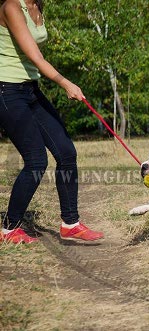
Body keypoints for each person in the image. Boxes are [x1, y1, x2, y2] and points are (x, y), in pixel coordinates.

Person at [0, 0, 104, 243]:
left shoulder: (38, 6)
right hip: (7, 91)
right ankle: (9, 228)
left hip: (30, 90)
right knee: (36, 161)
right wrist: (65, 82)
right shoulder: (11, 7)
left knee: (66, 152)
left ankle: (71, 223)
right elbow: (35, 56)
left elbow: (36, 55)